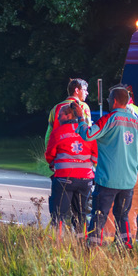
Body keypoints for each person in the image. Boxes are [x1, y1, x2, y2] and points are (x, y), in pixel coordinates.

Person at [84, 86, 138, 247]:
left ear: (115, 100)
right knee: (123, 215)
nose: (109, 102)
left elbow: (88, 134)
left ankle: (93, 246)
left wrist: (79, 121)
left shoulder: (109, 119)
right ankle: (125, 245)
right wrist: (135, 170)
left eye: (110, 99)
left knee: (99, 213)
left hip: (108, 179)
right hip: (128, 180)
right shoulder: (137, 124)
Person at [44, 100, 96, 234]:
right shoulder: (87, 131)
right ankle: (82, 243)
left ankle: (58, 243)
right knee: (82, 215)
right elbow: (96, 157)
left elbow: (49, 156)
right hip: (86, 180)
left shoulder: (58, 132)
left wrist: (54, 162)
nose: (58, 118)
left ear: (68, 116)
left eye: (60, 115)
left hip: (64, 179)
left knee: (59, 214)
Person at [46, 78, 91, 147]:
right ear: (77, 90)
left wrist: (48, 150)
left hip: (59, 151)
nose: (87, 93)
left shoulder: (55, 108)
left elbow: (49, 133)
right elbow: (88, 132)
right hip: (77, 149)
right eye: (84, 90)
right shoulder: (83, 106)